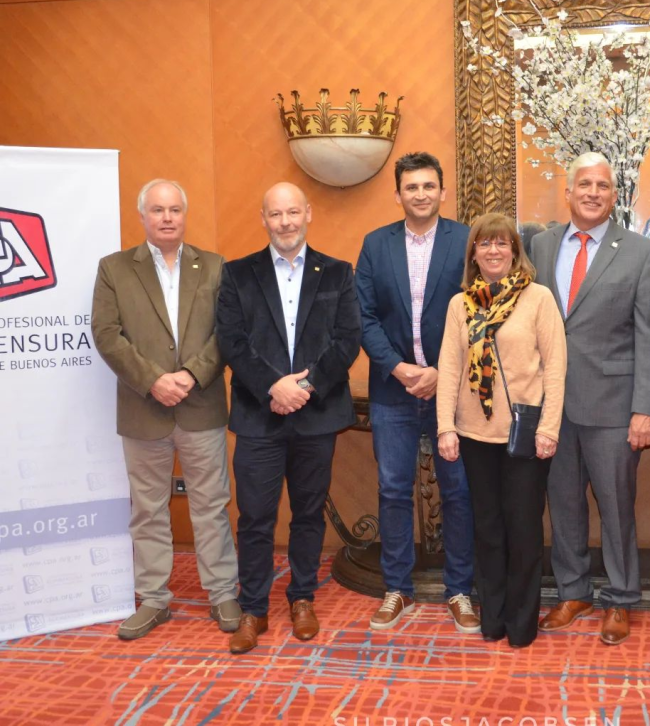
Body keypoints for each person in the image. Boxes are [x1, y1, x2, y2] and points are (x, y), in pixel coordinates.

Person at [216, 181, 361, 654]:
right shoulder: (237, 273)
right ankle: (253, 607)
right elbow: (231, 340)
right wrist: (273, 387)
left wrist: (305, 386)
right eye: (276, 214)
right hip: (259, 416)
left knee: (308, 514)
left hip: (315, 415)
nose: (285, 222)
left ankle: (302, 598)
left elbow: (347, 339)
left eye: (293, 212)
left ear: (308, 213)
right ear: (264, 219)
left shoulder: (337, 272)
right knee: (255, 518)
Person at [92, 179, 239, 640]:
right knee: (148, 510)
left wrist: (192, 375)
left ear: (185, 214)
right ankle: (154, 599)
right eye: (157, 210)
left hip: (201, 405)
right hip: (144, 408)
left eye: (175, 209)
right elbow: (106, 333)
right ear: (143, 216)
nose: (167, 217)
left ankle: (222, 593)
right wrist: (154, 380)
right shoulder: (114, 268)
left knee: (212, 506)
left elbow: (228, 330)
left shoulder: (214, 266)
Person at [530, 152, 650, 646]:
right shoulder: (541, 245)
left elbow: (649, 335)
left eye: (602, 185)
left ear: (614, 194)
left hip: (613, 404)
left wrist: (645, 408)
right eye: (584, 184)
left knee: (616, 507)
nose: (592, 193)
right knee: (563, 503)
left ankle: (621, 597)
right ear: (568, 192)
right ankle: (574, 591)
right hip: (552, 404)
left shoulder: (640, 252)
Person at [355, 152, 478, 633]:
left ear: (443, 191)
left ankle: (460, 589)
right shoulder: (375, 244)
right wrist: (399, 367)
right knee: (392, 489)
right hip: (394, 389)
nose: (421, 194)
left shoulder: (465, 241)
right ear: (398, 194)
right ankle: (397, 589)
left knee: (459, 490)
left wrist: (441, 372)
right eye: (412, 187)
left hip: (454, 390)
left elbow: (480, 313)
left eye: (429, 186)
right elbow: (364, 316)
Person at [436, 213, 566, 648]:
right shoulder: (461, 305)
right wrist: (445, 427)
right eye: (485, 243)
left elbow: (555, 368)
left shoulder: (538, 298)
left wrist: (549, 428)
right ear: (473, 253)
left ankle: (521, 624)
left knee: (524, 531)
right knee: (488, 531)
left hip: (525, 436)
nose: (494, 250)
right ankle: (493, 619)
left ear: (515, 250)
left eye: (502, 243)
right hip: (475, 436)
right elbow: (449, 368)